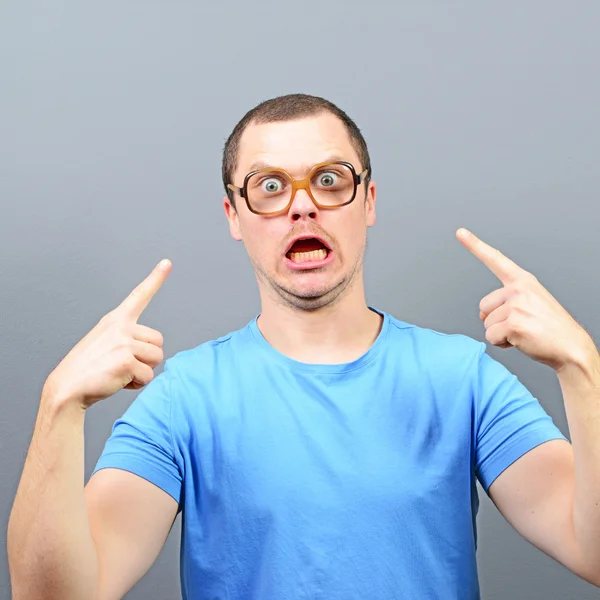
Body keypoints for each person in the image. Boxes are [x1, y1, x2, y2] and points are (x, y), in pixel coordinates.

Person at [8, 93, 600, 600]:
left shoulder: (462, 378)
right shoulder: (185, 398)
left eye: (328, 179)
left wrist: (583, 368)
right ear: (234, 215)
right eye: (269, 186)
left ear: (367, 201)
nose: (301, 203)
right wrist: (58, 405)